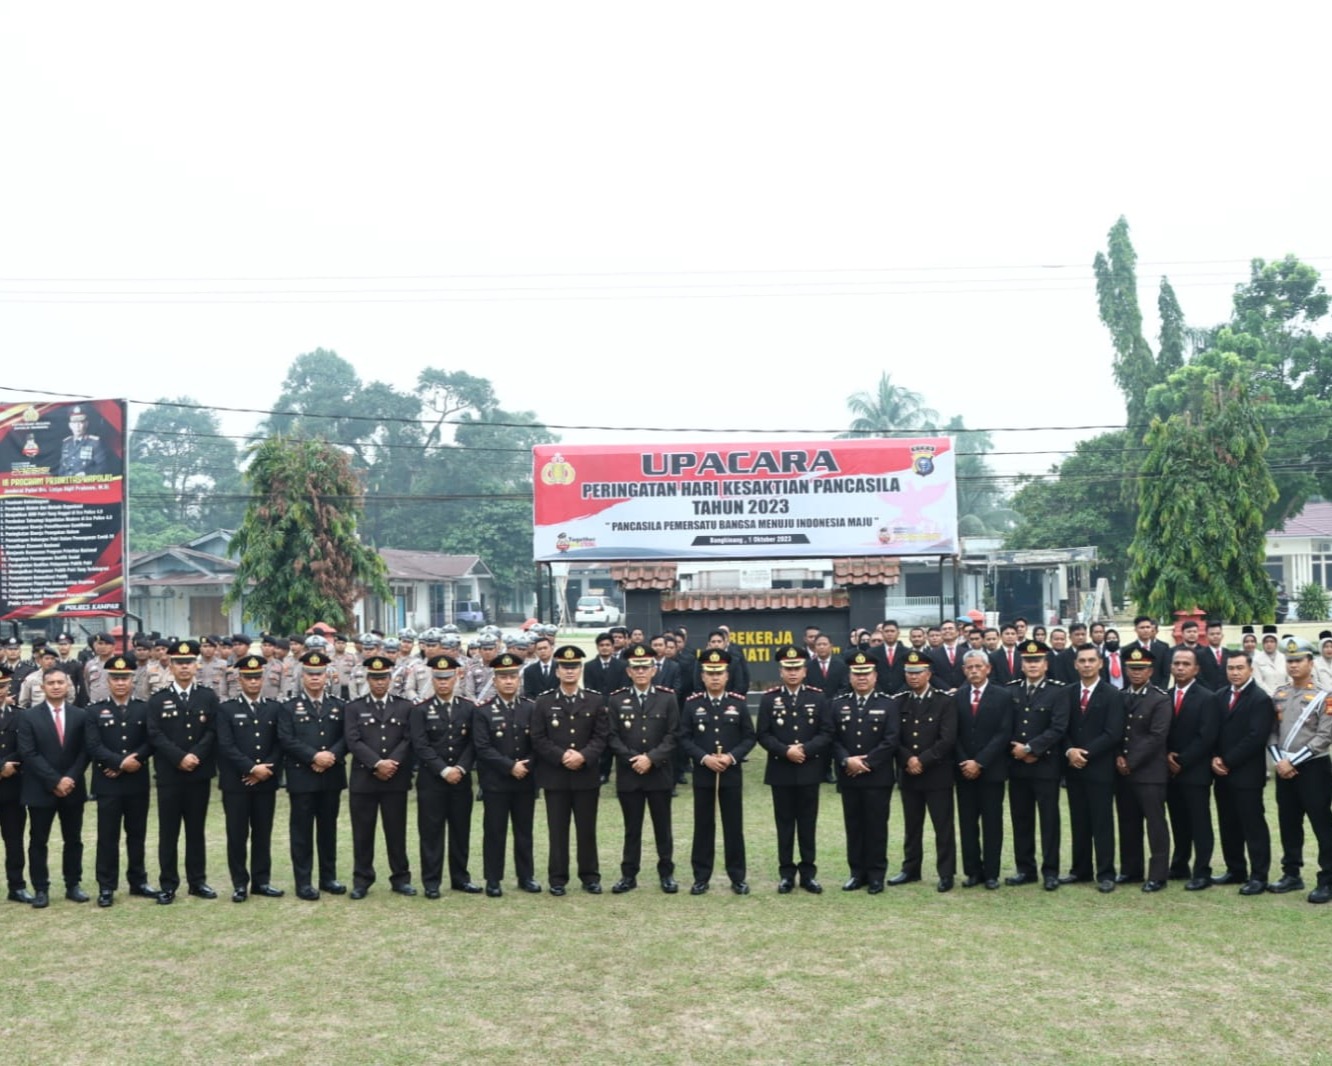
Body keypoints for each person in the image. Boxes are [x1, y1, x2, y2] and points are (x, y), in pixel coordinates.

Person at [755, 645, 833, 893]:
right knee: (785, 825)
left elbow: (827, 732)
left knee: (808, 824)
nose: (792, 673)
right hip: (781, 770)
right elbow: (763, 734)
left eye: (796, 668)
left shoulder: (818, 697)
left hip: (809, 769)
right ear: (780, 671)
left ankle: (808, 873)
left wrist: (806, 749)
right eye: (787, 668)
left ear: (805, 671)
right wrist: (785, 750)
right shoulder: (769, 699)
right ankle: (786, 873)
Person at [531, 645, 608, 895]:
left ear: (581, 670)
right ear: (557, 671)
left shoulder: (595, 700)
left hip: (586, 775)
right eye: (565, 667)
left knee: (587, 830)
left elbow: (601, 736)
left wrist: (583, 756)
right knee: (558, 831)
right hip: (556, 776)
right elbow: (538, 737)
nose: (570, 671)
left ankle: (590, 876)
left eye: (574, 667)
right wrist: (562, 756)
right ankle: (557, 878)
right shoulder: (543, 702)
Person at [148, 639, 220, 904]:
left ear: (196, 665)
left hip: (198, 774)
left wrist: (195, 756)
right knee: (168, 832)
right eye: (179, 663)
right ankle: (168, 884)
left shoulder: (208, 696)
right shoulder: (158, 699)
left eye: (189, 662)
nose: (184, 667)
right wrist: (179, 757)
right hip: (170, 774)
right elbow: (154, 734)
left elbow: (213, 731)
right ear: (171, 665)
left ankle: (197, 881)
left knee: (195, 830)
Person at [678, 648, 755, 894]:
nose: (714, 677)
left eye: (719, 673)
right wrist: (704, 758)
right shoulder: (692, 705)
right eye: (709, 673)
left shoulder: (737, 703)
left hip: (730, 774)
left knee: (733, 827)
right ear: (702, 677)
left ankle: (737, 877)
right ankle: (701, 876)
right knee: (703, 826)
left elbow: (749, 737)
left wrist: (731, 757)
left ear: (727, 676)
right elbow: (684, 738)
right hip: (704, 774)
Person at [84, 653, 156, 906]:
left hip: (136, 781)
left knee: (136, 834)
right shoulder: (94, 710)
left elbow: (151, 741)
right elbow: (93, 745)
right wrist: (118, 763)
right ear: (108, 680)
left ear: (133, 679)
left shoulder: (144, 708)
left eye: (125, 678)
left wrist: (128, 764)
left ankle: (138, 881)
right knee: (108, 836)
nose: (121, 683)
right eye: (115, 678)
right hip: (108, 781)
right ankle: (106, 886)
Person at [607, 644, 679, 893]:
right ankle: (629, 875)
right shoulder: (616, 699)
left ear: (653, 670)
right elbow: (612, 737)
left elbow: (673, 735)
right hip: (630, 774)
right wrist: (633, 759)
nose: (640, 672)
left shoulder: (667, 698)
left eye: (645, 667)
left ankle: (666, 873)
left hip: (658, 773)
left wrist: (651, 758)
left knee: (663, 827)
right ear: (628, 671)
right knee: (632, 828)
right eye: (636, 668)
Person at [277, 648, 348, 900]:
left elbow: (346, 737)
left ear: (327, 676)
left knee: (328, 830)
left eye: (319, 673)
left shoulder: (339, 705)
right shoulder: (288, 707)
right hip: (302, 777)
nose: (315, 678)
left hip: (331, 776)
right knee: (302, 832)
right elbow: (286, 739)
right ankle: (304, 882)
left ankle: (328, 878)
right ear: (302, 676)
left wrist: (331, 757)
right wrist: (313, 757)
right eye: (310, 673)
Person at [408, 653, 481, 898]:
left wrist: (460, 769)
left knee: (461, 831)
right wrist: (443, 769)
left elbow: (473, 744)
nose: (443, 683)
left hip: (460, 780)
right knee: (431, 832)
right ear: (432, 677)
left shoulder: (468, 708)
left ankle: (461, 878)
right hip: (432, 781)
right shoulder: (420, 709)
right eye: (438, 678)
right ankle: (431, 881)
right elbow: (420, 745)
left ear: (456, 677)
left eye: (447, 678)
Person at [344, 654, 416, 898]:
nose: (378, 683)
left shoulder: (404, 706)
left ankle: (401, 878)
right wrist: (376, 763)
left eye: (383, 678)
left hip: (394, 779)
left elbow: (408, 739)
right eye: (374, 678)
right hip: (364, 780)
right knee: (363, 833)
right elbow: (352, 740)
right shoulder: (354, 707)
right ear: (367, 679)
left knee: (396, 832)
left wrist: (391, 763)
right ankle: (362, 879)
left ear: (390, 678)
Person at [213, 653, 283, 902]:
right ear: (239, 680)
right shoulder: (226, 709)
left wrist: (266, 770)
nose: (253, 682)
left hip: (266, 782)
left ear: (263, 679)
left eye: (257, 677)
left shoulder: (274, 708)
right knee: (237, 834)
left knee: (263, 833)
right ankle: (240, 883)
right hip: (237, 783)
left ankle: (261, 881)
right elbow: (225, 745)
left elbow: (279, 743)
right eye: (248, 678)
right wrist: (251, 769)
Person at [1267, 637, 1332, 903]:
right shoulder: (1279, 695)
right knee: (1288, 822)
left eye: (1298, 660)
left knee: (1322, 824)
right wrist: (1279, 761)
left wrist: (1293, 762)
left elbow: (1324, 736)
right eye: (1290, 660)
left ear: (1310, 662)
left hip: (1314, 769)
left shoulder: (1324, 697)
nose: (1293, 665)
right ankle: (1291, 873)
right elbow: (1270, 732)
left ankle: (1327, 879)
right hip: (1284, 769)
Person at [17, 666, 88, 907]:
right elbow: (28, 753)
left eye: (60, 682)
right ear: (42, 687)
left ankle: (73, 884)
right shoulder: (28, 716)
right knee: (38, 841)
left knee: (73, 839)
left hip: (73, 787)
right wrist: (55, 781)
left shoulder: (80, 715)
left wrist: (70, 779)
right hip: (40, 789)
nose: (56, 686)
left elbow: (84, 751)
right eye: (51, 683)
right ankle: (41, 888)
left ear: (68, 686)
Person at [887, 651, 958, 891]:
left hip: (937, 773)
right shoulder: (898, 701)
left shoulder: (944, 701)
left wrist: (923, 760)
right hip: (909, 773)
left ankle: (946, 873)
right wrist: (908, 759)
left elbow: (947, 739)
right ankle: (910, 869)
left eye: (918, 672)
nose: (913, 677)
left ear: (929, 674)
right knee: (912, 825)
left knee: (943, 827)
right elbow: (893, 737)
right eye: (909, 672)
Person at [472, 652, 541, 896]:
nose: (509, 681)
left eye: (513, 676)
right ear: (495, 680)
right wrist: (509, 766)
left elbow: (539, 744)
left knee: (524, 832)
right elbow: (482, 747)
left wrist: (527, 766)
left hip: (525, 780)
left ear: (519, 679)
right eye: (503, 677)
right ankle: (493, 879)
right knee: (494, 832)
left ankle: (526, 877)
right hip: (496, 782)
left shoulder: (531, 708)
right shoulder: (483, 711)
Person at [830, 651, 898, 893]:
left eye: (866, 674)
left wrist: (866, 762)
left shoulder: (888, 703)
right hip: (849, 776)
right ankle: (856, 873)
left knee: (877, 827)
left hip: (877, 777)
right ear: (850, 677)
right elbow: (833, 738)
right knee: (854, 826)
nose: (861, 678)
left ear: (875, 676)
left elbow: (891, 740)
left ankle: (876, 875)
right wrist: (847, 760)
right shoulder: (838, 704)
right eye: (856, 674)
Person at [1004, 641, 1068, 891]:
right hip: (1017, 765)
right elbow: (1004, 726)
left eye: (1037, 661)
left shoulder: (1058, 691)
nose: (1032, 665)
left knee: (1049, 820)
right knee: (1021, 819)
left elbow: (1059, 727)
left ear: (1046, 664)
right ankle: (1025, 869)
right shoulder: (1011, 691)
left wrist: (1031, 749)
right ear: (1021, 665)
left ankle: (1050, 871)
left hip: (1045, 765)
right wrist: (1017, 751)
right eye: (1028, 661)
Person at [1061, 645, 1125, 892]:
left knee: (1102, 821)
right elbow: (1061, 728)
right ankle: (1080, 869)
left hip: (1099, 768)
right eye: (1082, 661)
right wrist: (1070, 751)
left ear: (1100, 664)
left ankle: (1106, 873)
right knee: (1079, 821)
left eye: (1091, 660)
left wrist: (1083, 753)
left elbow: (1113, 733)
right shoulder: (1067, 693)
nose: (1087, 665)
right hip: (1073, 768)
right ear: (1075, 664)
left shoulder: (1112, 694)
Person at [1211, 652, 1274, 895]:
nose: (1235, 672)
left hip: (1247, 774)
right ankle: (1235, 869)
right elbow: (1213, 730)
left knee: (1253, 825)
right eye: (1230, 668)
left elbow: (1256, 738)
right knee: (1228, 823)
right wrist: (1215, 757)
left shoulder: (1260, 699)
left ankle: (1259, 876)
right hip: (1222, 774)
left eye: (1239, 668)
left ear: (1250, 670)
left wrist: (1227, 759)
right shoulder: (1220, 696)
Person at [952, 649, 1012, 889]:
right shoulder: (957, 697)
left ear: (988, 668)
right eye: (969, 667)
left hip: (991, 770)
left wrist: (980, 762)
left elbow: (1003, 733)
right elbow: (952, 734)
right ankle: (972, 872)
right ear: (964, 670)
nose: (974, 671)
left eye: (978, 666)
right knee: (967, 823)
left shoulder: (1003, 696)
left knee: (992, 823)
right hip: (963, 770)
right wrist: (965, 761)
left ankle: (991, 873)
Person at [1114, 647, 1171, 892]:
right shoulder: (1119, 695)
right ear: (1125, 670)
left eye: (1141, 668)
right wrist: (1118, 756)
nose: (1136, 673)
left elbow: (1157, 736)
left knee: (1155, 824)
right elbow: (1115, 730)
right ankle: (1131, 869)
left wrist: (1131, 761)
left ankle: (1158, 875)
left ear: (1150, 670)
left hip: (1149, 772)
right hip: (1122, 771)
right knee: (1128, 822)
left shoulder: (1160, 698)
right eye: (1132, 668)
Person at [1164, 647, 1218, 889]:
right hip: (1168, 771)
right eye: (1176, 663)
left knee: (1199, 822)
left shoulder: (1208, 697)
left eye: (1186, 664)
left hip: (1195, 771)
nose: (1180, 668)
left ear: (1196, 669)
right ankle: (1180, 864)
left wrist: (1182, 761)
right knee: (1178, 820)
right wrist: (1167, 757)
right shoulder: (1164, 695)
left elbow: (1206, 736)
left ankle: (1202, 871)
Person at [0, 667, 34, 902]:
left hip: (12, 789)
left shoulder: (20, 715)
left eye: (2, 687)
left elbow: (26, 748)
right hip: (6, 773)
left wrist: (11, 766)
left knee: (14, 840)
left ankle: (17, 886)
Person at [57, 404, 111, 476]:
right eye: (74, 423)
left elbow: (102, 467)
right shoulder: (66, 443)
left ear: (86, 424)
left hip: (86, 484)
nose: (77, 426)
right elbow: (62, 468)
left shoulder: (94, 443)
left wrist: (87, 474)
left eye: (80, 422)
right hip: (68, 484)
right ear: (70, 425)